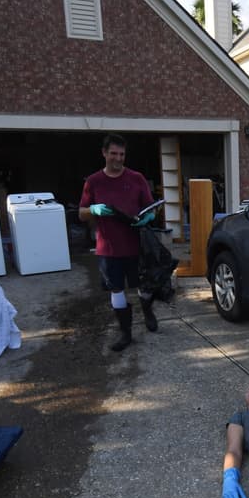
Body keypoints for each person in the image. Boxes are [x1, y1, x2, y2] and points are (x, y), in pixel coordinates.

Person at [78, 133, 158, 351]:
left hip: (136, 244)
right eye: (113, 153)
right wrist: (93, 209)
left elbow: (151, 206)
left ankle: (148, 311)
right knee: (116, 290)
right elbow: (81, 213)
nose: (118, 158)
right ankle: (126, 333)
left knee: (143, 285)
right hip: (109, 248)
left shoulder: (137, 178)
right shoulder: (93, 182)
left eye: (122, 154)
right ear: (104, 153)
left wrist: (150, 216)